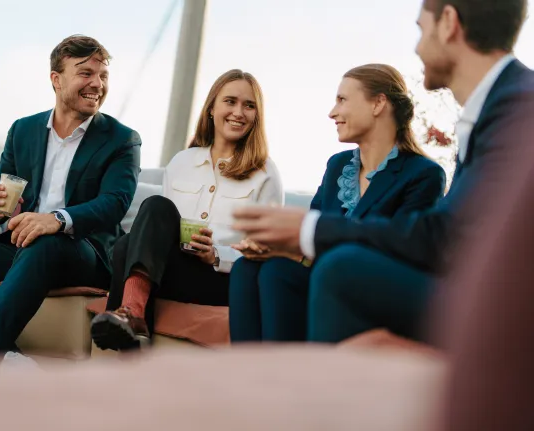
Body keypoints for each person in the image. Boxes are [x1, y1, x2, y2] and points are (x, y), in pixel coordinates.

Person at [232, 0, 531, 344]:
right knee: (256, 268)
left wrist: (306, 231)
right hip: (461, 284)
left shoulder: (518, 107)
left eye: (420, 29)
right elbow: (452, 235)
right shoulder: (495, 109)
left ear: (448, 23)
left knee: (337, 269)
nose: (416, 48)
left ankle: (300, 389)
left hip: (489, 303)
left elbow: (440, 240)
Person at [229, 64, 446, 342]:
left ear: (378, 103)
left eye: (342, 100)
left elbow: (400, 252)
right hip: (318, 279)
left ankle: (281, 378)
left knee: (276, 272)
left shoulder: (423, 175)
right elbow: (309, 232)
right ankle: (245, 377)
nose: (333, 112)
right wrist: (277, 246)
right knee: (247, 268)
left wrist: (295, 253)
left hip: (364, 294)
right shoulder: (337, 165)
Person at [0, 35, 141, 363]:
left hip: (84, 254)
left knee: (45, 242)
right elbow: (3, 205)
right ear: (56, 79)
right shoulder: (23, 130)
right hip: (19, 247)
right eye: (86, 73)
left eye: (103, 76)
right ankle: (5, 358)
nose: (97, 84)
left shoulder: (122, 139)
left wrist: (55, 220)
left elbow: (115, 202)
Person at [91, 69, 283, 351]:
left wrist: (217, 255)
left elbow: (266, 250)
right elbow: (160, 226)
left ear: (257, 116)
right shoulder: (182, 161)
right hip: (174, 269)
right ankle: (132, 320)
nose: (238, 112)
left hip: (221, 280)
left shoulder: (265, 173)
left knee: (125, 247)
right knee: (135, 233)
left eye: (249, 105)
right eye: (230, 101)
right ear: (212, 108)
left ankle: (129, 319)